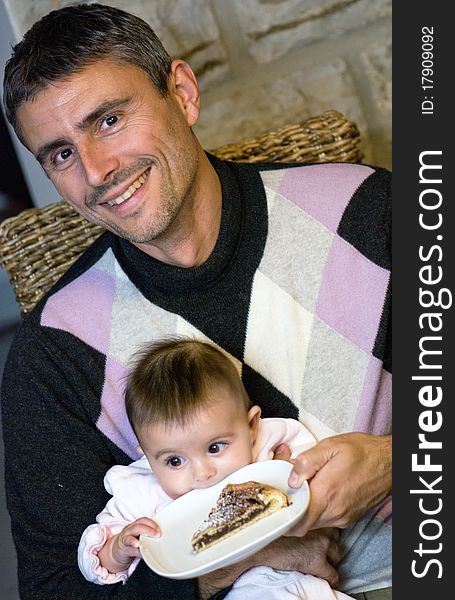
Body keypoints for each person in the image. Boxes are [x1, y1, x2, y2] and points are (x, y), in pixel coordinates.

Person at [1, 3, 392, 600]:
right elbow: (56, 589)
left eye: (108, 120)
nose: (98, 170)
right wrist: (238, 557)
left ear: (182, 94)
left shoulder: (370, 212)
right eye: (60, 154)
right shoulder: (55, 354)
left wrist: (403, 460)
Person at [78, 337, 353, 600]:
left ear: (251, 426)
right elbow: (95, 561)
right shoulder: (141, 492)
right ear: (149, 460)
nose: (202, 473)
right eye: (174, 461)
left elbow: (322, 475)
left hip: (306, 583)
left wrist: (290, 478)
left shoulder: (271, 446)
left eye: (215, 448)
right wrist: (117, 550)